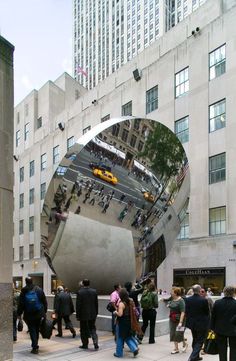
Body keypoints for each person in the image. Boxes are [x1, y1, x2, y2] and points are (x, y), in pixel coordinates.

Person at [17, 277, 47, 354]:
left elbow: (21, 304)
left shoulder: (23, 290)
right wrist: (44, 312)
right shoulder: (39, 289)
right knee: (36, 329)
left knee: (32, 329)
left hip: (29, 314)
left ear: (25, 282)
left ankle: (35, 346)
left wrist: (19, 314)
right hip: (39, 313)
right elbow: (44, 301)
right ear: (32, 281)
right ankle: (35, 344)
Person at [211, 285, 236, 361]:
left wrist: (212, 328)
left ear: (224, 292)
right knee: (234, 349)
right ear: (233, 293)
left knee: (222, 349)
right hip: (233, 329)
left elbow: (213, 316)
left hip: (220, 329)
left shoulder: (217, 303)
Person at [185, 284, 210, 361]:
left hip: (192, 323)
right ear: (199, 290)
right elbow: (207, 312)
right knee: (200, 340)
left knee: (195, 339)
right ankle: (193, 357)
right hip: (201, 323)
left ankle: (196, 356)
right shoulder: (204, 300)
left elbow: (187, 311)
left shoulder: (188, 299)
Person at [113, 288, 139, 358]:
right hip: (129, 321)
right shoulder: (130, 301)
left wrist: (115, 312)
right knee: (128, 336)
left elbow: (120, 314)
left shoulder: (121, 303)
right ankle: (134, 348)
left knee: (120, 338)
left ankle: (119, 353)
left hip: (122, 322)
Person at [76, 279, 99, 350]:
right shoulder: (94, 291)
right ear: (89, 284)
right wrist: (96, 312)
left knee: (83, 329)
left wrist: (78, 315)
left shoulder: (80, 292)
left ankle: (85, 344)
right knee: (92, 328)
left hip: (83, 315)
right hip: (93, 314)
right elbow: (96, 303)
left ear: (83, 284)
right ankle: (95, 342)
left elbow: (78, 305)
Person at [168, 287, 187, 354]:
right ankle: (176, 348)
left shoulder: (181, 300)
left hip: (180, 320)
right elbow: (171, 305)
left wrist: (180, 322)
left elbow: (183, 312)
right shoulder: (172, 299)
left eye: (172, 292)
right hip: (172, 319)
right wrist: (169, 305)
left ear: (175, 293)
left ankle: (185, 344)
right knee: (173, 333)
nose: (171, 292)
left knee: (179, 334)